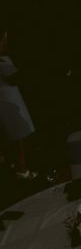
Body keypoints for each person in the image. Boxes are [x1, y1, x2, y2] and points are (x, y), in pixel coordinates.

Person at [0, 22, 35, 179]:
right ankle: (22, 170)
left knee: (16, 137)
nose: (6, 44)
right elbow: (16, 78)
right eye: (4, 41)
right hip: (8, 104)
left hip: (8, 103)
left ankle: (18, 168)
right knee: (19, 137)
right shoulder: (3, 61)